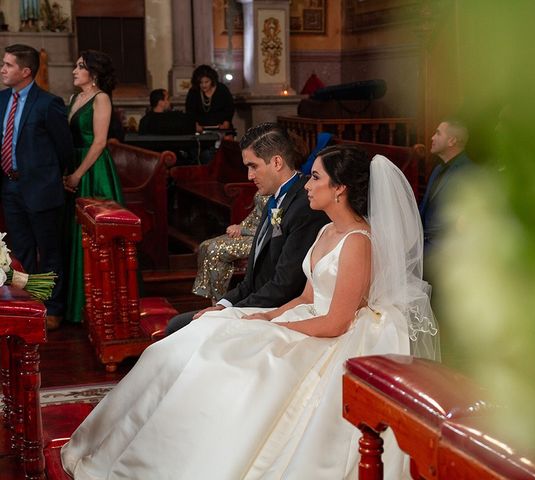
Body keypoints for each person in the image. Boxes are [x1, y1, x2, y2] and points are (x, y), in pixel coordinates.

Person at [60, 145, 439, 479]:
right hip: (307, 319)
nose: (307, 185)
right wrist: (267, 318)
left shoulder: (358, 242)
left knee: (234, 364)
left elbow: (336, 321)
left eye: (316, 178)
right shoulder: (326, 232)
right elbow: (306, 296)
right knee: (200, 336)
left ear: (340, 188)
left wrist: (277, 330)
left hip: (331, 336)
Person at [165, 122, 328, 334]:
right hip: (256, 303)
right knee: (179, 324)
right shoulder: (273, 198)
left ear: (277, 162)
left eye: (253, 166)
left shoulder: (305, 207)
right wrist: (223, 305)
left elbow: (285, 285)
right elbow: (251, 280)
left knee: (178, 327)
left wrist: (231, 313)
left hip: (278, 311)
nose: (249, 176)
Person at [0, 44, 73, 330]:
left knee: (50, 251)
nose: (3, 69)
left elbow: (64, 148)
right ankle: (29, 305)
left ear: (26, 71)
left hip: (41, 189)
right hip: (10, 187)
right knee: (22, 251)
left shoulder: (47, 103)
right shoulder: (2, 100)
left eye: (8, 65)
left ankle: (53, 309)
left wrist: (52, 177)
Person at [63, 50, 124, 324]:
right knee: (77, 235)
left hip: (93, 169)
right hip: (75, 164)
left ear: (94, 73)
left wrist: (77, 174)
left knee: (95, 235)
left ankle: (104, 305)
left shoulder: (101, 98)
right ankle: (79, 303)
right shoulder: (76, 97)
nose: (74, 71)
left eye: (80, 67)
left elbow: (99, 142)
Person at [419, 119, 474, 275]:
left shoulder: (467, 172)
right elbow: (426, 206)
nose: (432, 138)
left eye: (438, 133)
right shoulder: (437, 169)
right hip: (425, 249)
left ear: (452, 140)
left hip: (445, 256)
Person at [192, 192, 269, 301]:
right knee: (205, 245)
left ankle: (221, 301)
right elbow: (256, 213)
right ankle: (214, 300)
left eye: (254, 173)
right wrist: (241, 226)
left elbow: (273, 226)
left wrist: (244, 230)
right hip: (252, 232)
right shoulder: (266, 186)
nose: (251, 176)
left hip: (263, 237)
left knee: (215, 250)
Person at [185, 64, 234, 133]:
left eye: (206, 82)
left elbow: (230, 108)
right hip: (200, 129)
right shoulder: (194, 91)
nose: (203, 85)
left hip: (222, 128)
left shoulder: (222, 89)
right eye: (201, 83)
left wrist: (226, 122)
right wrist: (194, 124)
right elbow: (190, 111)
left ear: (212, 80)